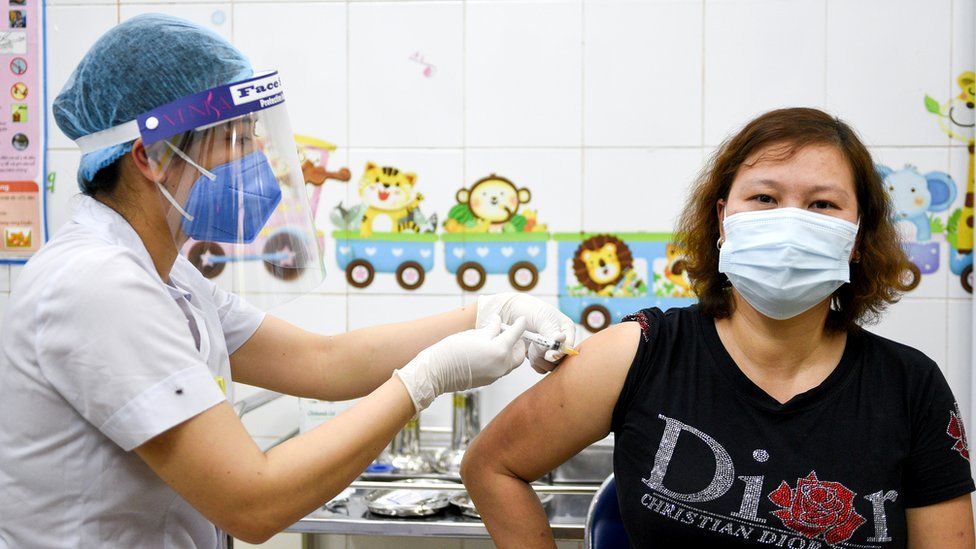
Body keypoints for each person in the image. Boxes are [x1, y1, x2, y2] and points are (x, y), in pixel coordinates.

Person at [0, 14, 575, 548]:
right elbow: (254, 502)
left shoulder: (164, 273)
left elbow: (324, 361)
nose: (258, 159)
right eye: (236, 139)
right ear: (150, 155)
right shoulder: (98, 286)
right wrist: (425, 380)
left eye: (255, 135)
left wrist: (487, 313)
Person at [462, 108, 975, 549]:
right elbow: (493, 467)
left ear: (858, 237)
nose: (789, 225)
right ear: (724, 219)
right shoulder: (640, 353)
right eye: (765, 199)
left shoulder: (911, 388)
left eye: (822, 204)